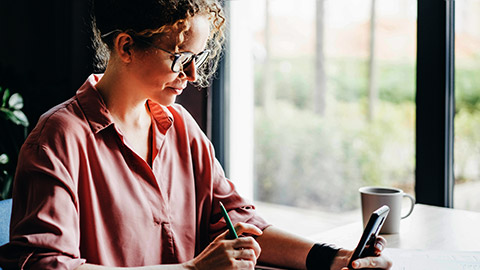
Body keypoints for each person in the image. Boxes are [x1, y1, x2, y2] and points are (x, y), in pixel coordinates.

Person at [0, 0, 393, 269]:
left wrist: (332, 258)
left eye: (198, 59)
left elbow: (239, 222)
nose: (191, 76)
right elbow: (48, 265)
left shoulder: (181, 127)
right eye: (180, 58)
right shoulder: (59, 139)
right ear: (125, 46)